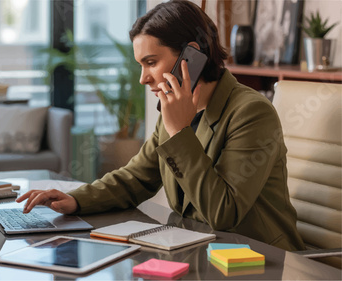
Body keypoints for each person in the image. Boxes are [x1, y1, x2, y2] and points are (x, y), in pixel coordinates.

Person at [17, 0, 305, 251]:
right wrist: (76, 200)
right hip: (201, 252)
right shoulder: (174, 111)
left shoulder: (251, 113)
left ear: (190, 57)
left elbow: (223, 213)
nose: (143, 78)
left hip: (260, 259)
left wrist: (180, 132)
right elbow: (136, 179)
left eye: (151, 62)